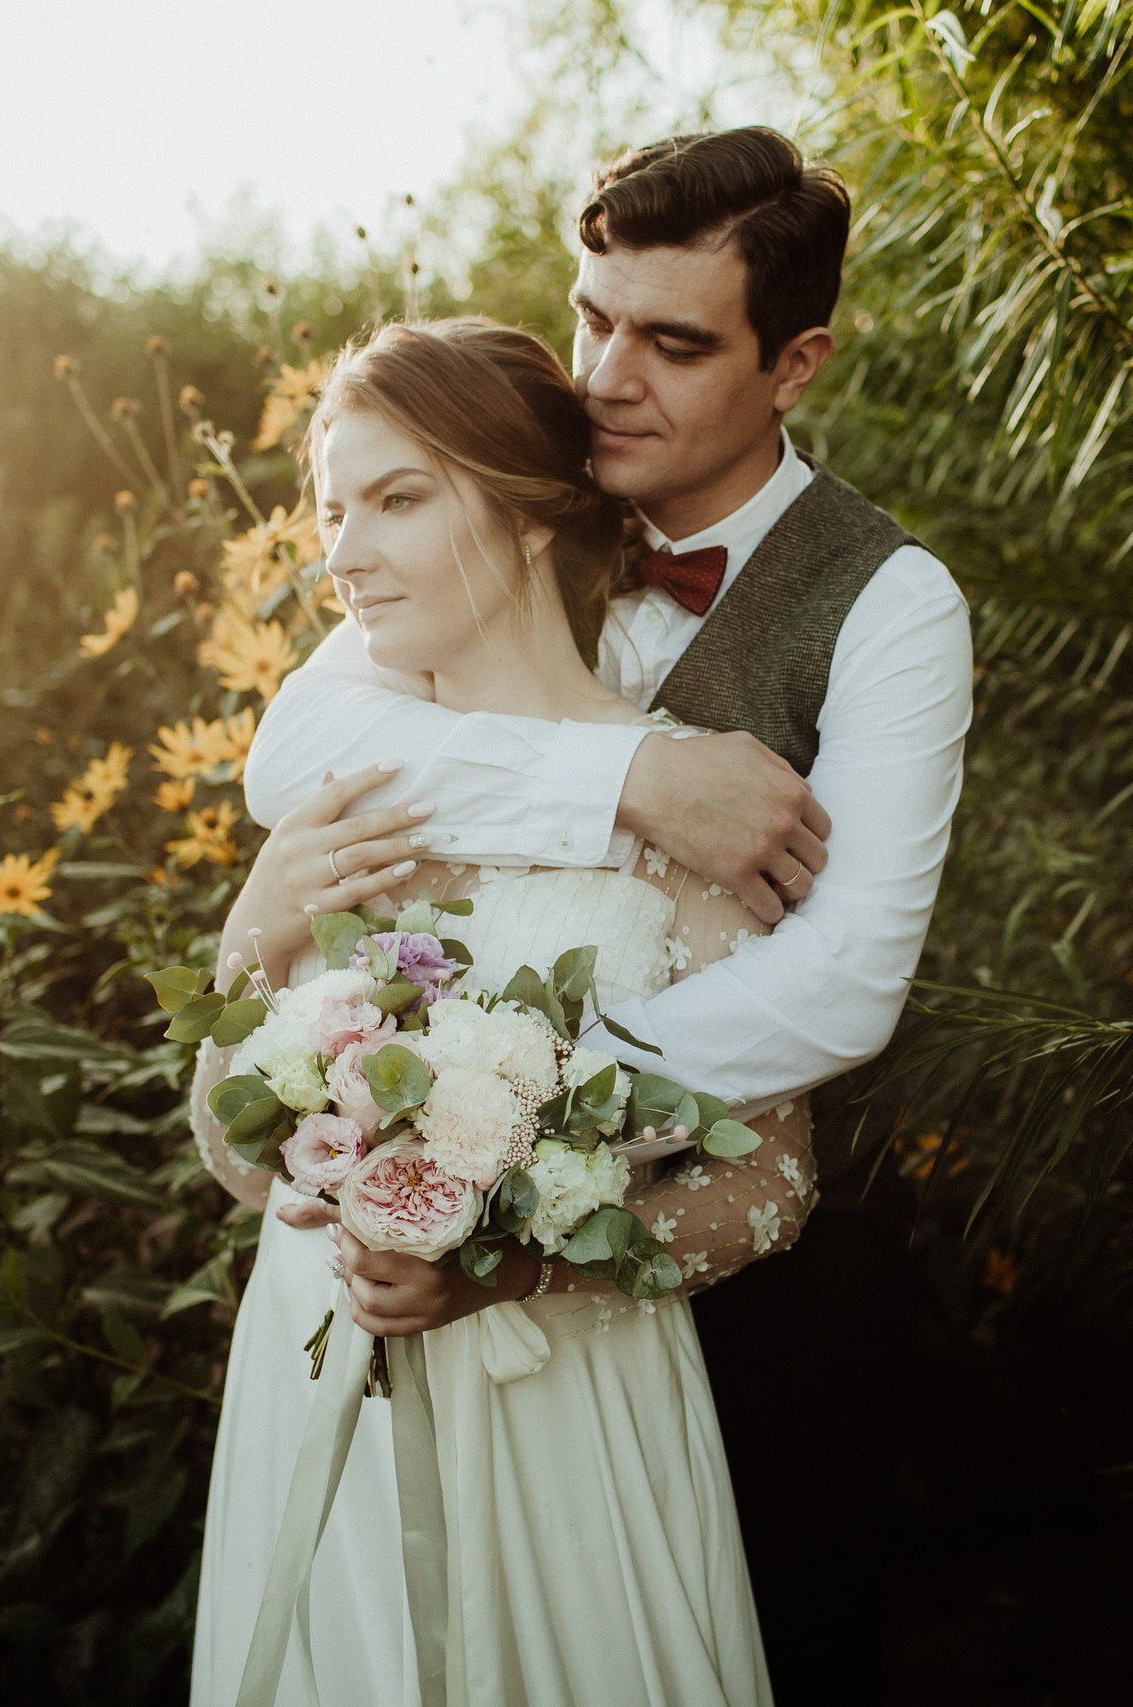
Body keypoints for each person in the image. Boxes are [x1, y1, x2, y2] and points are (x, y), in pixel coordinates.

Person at [237, 128, 973, 1700]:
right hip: (426, 1280)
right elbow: (292, 756)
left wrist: (494, 1128)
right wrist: (624, 783)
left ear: (798, 363)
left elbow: (843, 988)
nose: (607, 374)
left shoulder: (892, 604)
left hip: (766, 1276)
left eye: (674, 341)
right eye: (592, 317)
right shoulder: (516, 497)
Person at [191, 319, 826, 1707]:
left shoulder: (688, 798)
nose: (343, 551)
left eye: (399, 499)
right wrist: (256, 926)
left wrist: (514, 1267)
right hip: (321, 1396)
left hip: (567, 1417)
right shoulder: (345, 802)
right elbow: (237, 1158)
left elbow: (773, 1185)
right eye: (330, 510)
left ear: (536, 516)